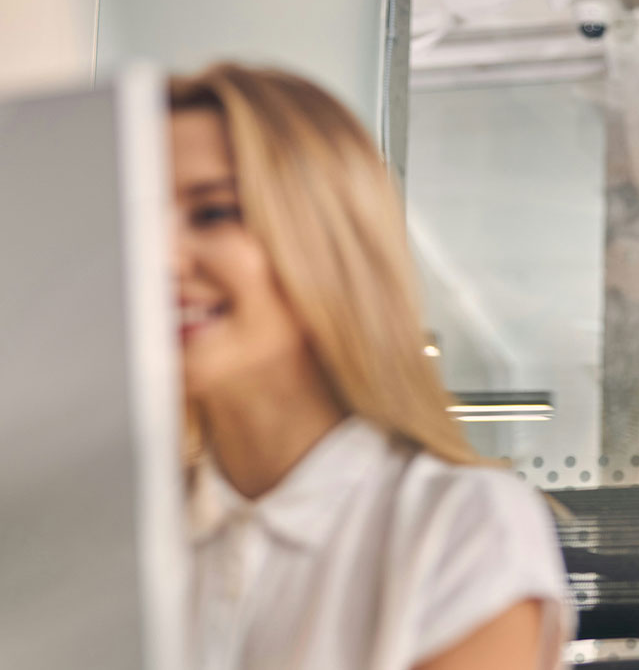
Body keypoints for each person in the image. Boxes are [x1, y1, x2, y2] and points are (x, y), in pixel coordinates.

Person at [170, 63, 571, 670]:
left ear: (326, 241)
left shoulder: (459, 526)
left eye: (214, 214)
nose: (158, 256)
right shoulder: (119, 527)